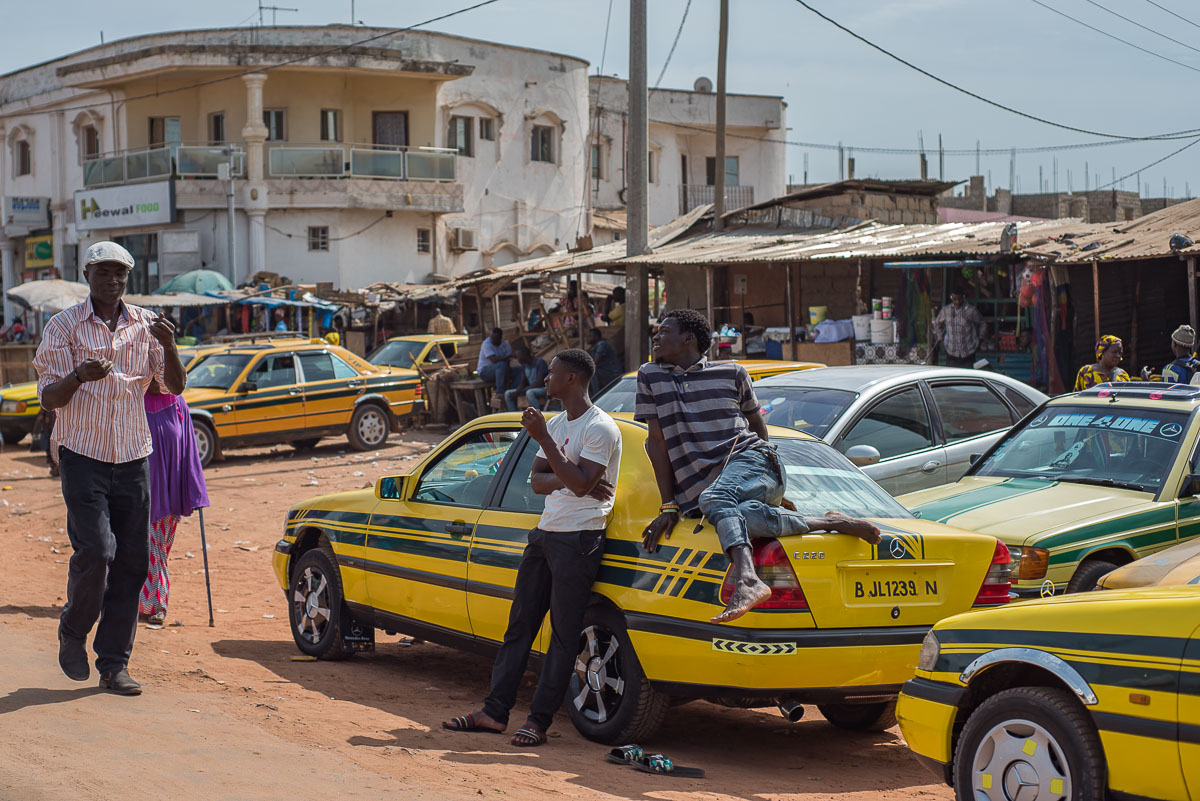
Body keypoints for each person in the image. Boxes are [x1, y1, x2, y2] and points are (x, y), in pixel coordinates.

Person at [636, 309, 881, 624]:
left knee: (713, 499)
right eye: (655, 331)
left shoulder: (732, 372)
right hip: (718, 488)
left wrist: (766, 478)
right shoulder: (650, 375)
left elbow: (758, 429)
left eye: (663, 330)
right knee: (744, 516)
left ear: (688, 338)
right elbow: (656, 442)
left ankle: (748, 580)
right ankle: (828, 521)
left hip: (752, 460)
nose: (656, 336)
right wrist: (669, 504)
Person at [444, 349, 621, 747]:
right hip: (545, 533)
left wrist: (549, 448)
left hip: (579, 538)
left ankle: (538, 722)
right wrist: (570, 474)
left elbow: (580, 484)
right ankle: (494, 712)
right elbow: (539, 481)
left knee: (562, 635)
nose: (545, 379)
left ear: (572, 378)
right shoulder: (558, 423)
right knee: (519, 626)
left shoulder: (601, 428)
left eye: (552, 373)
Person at [33, 241, 187, 696]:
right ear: (88, 274)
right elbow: (48, 398)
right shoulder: (63, 327)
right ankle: (73, 630)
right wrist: (79, 376)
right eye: (104, 272)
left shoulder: (145, 325)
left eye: (120, 273)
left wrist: (170, 345)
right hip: (83, 456)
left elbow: (173, 387)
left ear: (128, 277)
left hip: (134, 457)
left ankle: (114, 664)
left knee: (133, 563)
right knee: (98, 551)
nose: (113, 280)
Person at [139, 385, 210, 624]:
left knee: (159, 549)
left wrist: (195, 488)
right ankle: (156, 603)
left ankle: (145, 601)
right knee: (148, 547)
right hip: (139, 490)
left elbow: (190, 447)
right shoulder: (133, 401)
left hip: (170, 489)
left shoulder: (178, 403)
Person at [932, 287, 986, 368]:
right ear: (951, 297)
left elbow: (983, 323)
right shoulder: (946, 310)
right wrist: (940, 339)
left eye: (959, 299)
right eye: (954, 299)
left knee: (968, 378)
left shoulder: (971, 310)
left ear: (963, 297)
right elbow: (936, 323)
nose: (957, 302)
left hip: (968, 353)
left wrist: (981, 339)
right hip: (951, 352)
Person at [504, 347, 549, 411]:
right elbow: (523, 383)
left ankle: (537, 414)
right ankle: (513, 414)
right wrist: (517, 391)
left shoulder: (539, 362)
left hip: (543, 388)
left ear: (525, 355)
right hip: (530, 388)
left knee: (529, 393)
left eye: (518, 356)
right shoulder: (524, 365)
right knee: (508, 393)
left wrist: (523, 390)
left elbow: (539, 383)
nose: (517, 358)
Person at [477, 327, 514, 394]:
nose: (492, 340)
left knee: (519, 370)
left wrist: (508, 378)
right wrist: (509, 356)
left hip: (501, 370)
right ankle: (499, 392)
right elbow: (494, 360)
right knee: (501, 364)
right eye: (491, 338)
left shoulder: (506, 345)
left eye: (494, 339)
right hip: (484, 372)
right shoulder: (486, 344)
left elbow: (508, 362)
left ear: (500, 338)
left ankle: (513, 391)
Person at [587, 328, 622, 395]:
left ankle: (596, 395)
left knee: (591, 371)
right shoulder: (593, 348)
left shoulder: (602, 344)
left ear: (596, 337)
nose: (587, 338)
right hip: (604, 373)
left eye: (590, 336)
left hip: (612, 374)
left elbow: (595, 362)